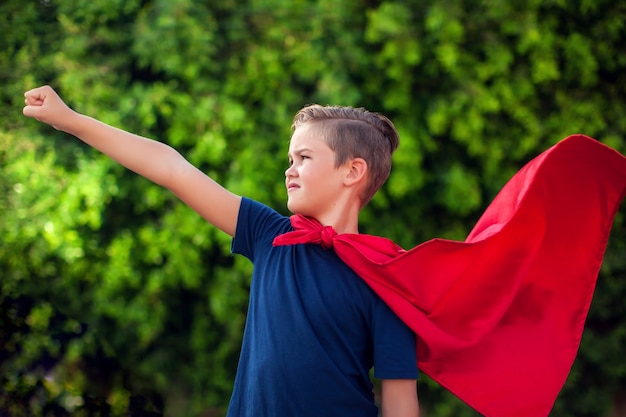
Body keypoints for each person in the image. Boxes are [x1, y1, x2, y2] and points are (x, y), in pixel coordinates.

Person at [23, 85, 420, 417]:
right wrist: (70, 120)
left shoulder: (386, 278)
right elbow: (172, 168)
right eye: (290, 158)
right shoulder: (269, 235)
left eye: (304, 158)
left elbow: (400, 399)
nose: (289, 169)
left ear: (352, 172)